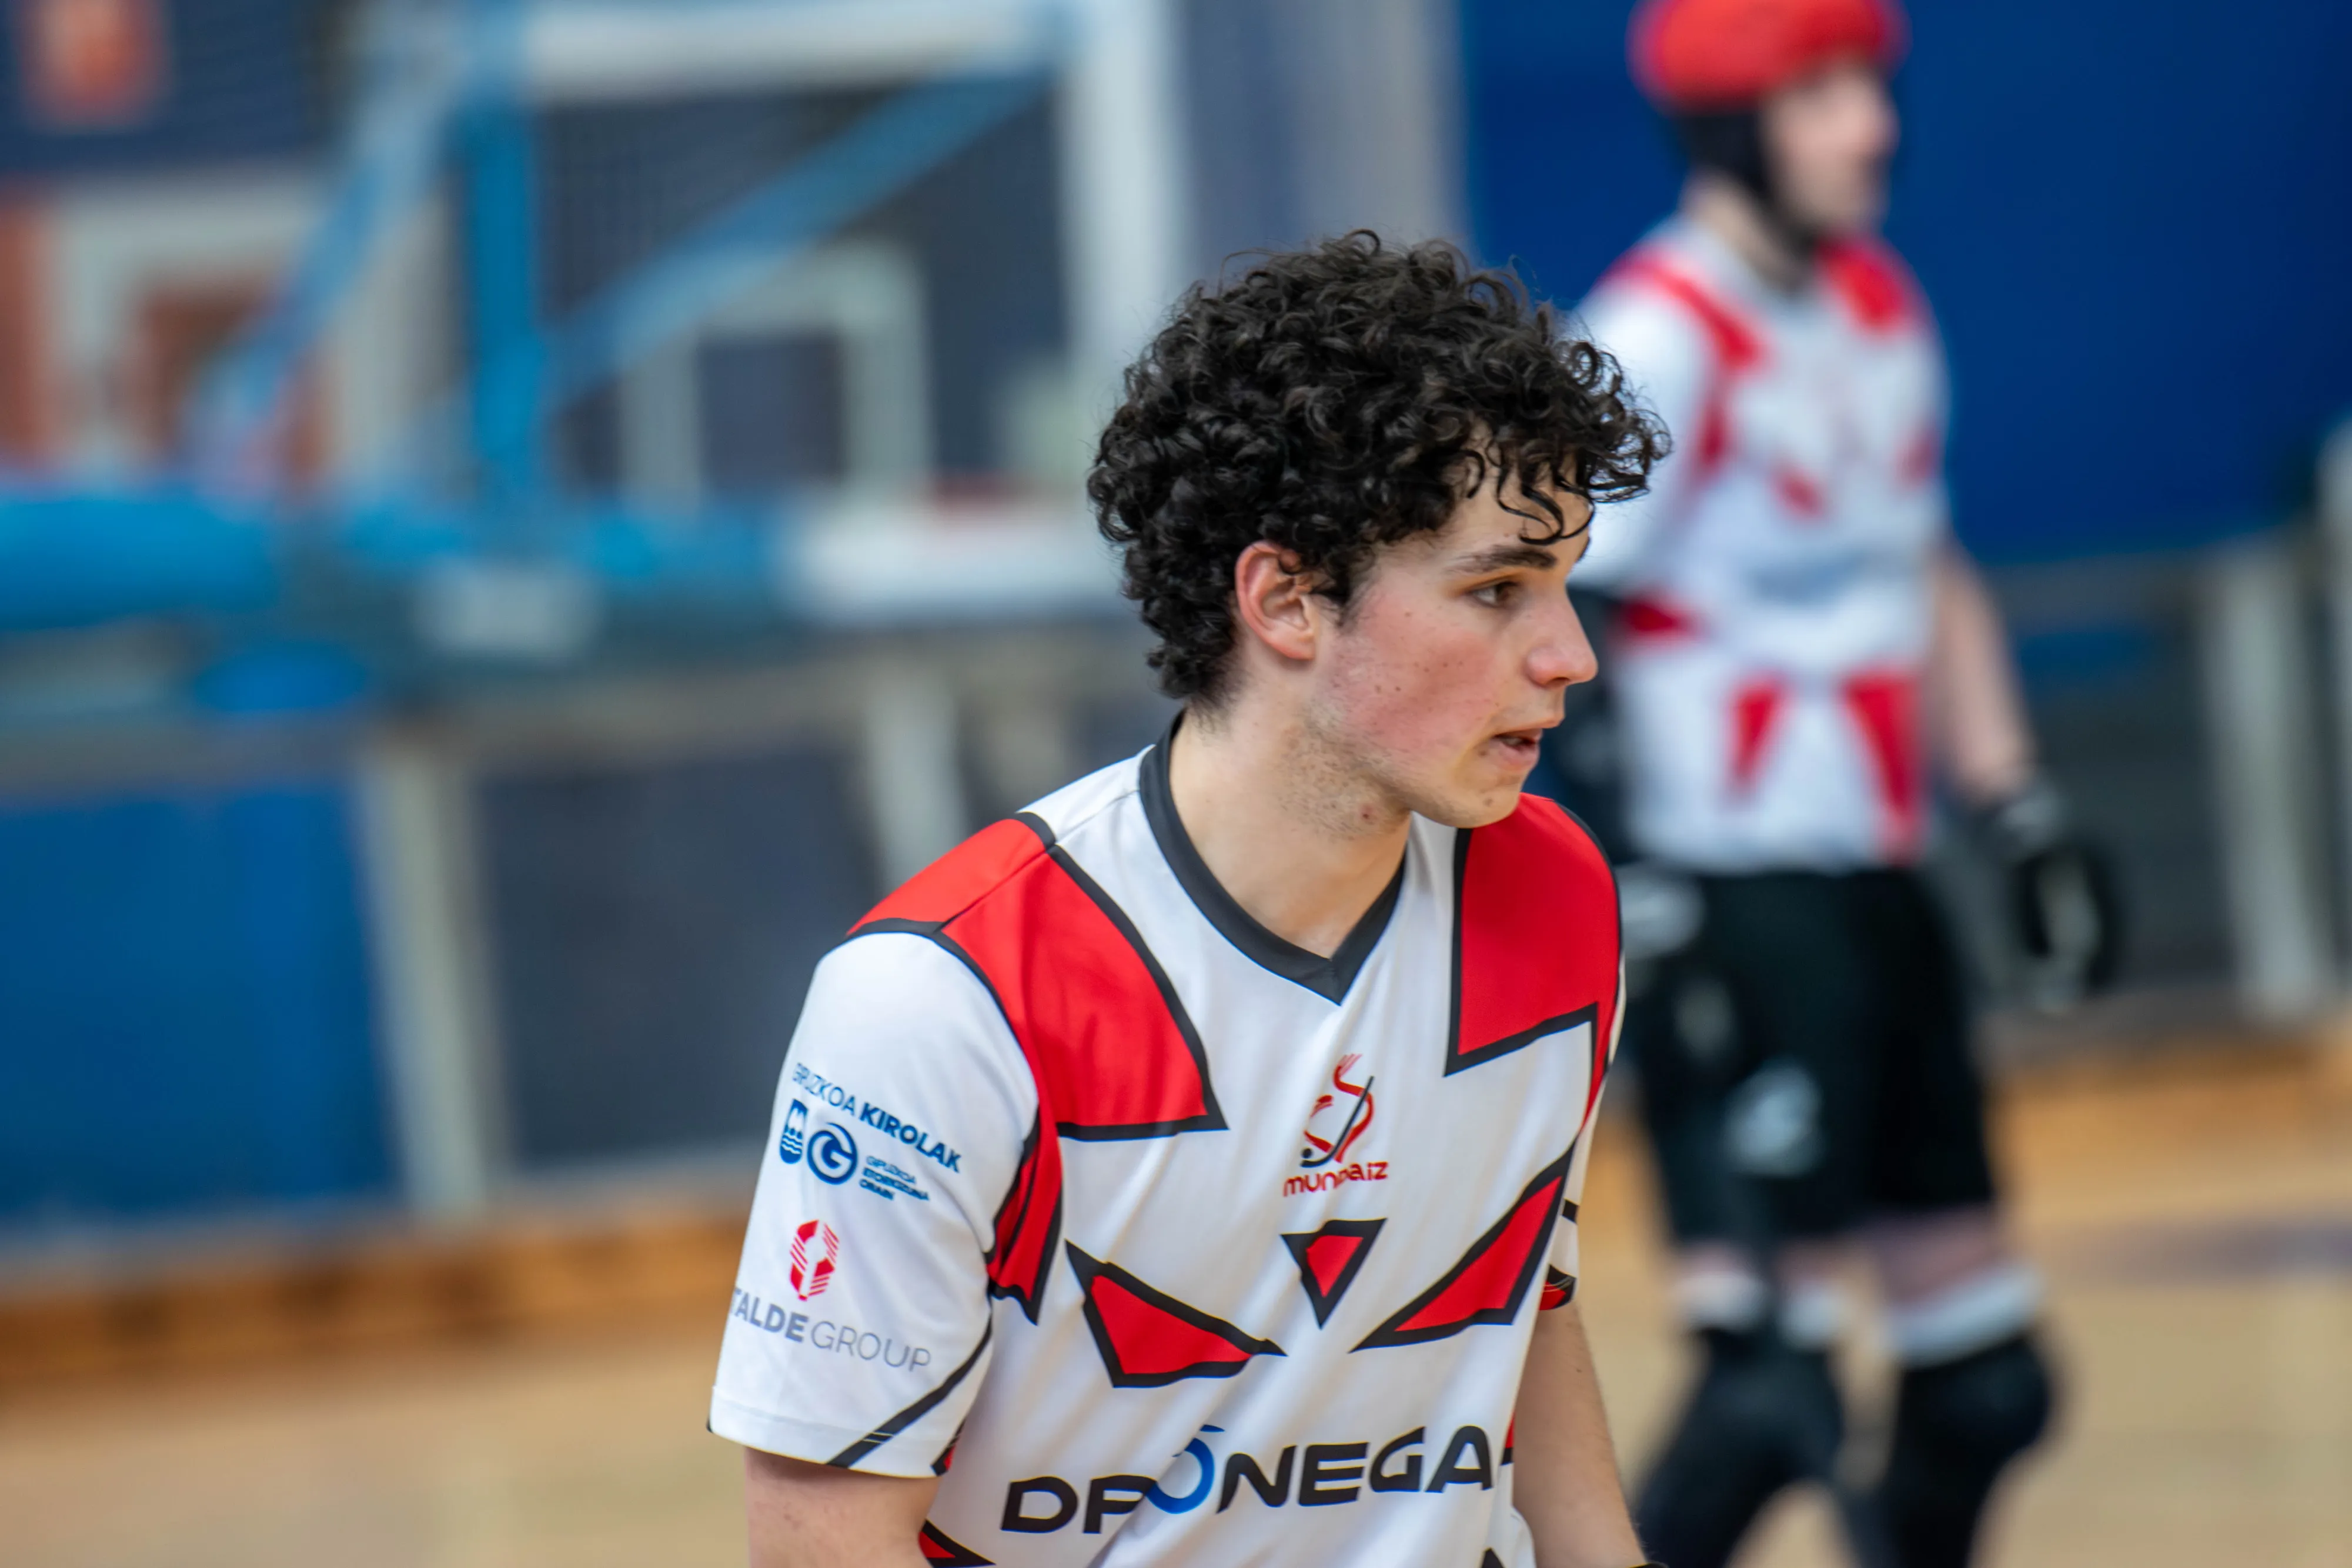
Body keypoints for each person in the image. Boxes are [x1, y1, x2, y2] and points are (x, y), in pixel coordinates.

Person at [709, 235, 1669, 1567]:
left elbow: (1517, 1307)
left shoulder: (1557, 891)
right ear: (1285, 598)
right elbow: (819, 1539)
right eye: (1497, 589)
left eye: (1563, 585)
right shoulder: (941, 1001)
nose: (1569, 655)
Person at [1556, 1, 2119, 1564]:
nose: (1871, 126)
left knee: (1985, 1387)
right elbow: (1550, 612)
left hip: (1878, 870)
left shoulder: (1876, 306)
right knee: (1770, 1396)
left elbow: (1921, 568)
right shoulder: (1655, 335)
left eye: (1868, 87)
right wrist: (1622, 880)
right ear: (1731, 128)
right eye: (1819, 96)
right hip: (1729, 891)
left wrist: (2012, 802)